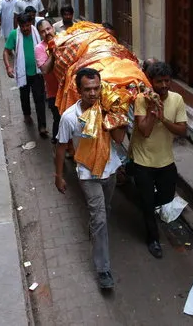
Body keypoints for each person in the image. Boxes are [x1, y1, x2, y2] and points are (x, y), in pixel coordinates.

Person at [54, 68, 126, 290]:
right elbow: (60, 147)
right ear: (78, 90)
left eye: (96, 88)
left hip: (109, 171)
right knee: (101, 218)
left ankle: (95, 227)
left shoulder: (107, 109)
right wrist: (58, 175)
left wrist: (114, 116)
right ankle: (103, 270)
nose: (93, 93)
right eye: (87, 89)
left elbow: (119, 138)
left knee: (105, 210)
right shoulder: (69, 117)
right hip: (87, 175)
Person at [129, 62, 187, 259]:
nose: (164, 85)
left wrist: (163, 119)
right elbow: (144, 131)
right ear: (151, 83)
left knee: (167, 196)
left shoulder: (177, 99)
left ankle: (146, 201)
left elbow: (182, 130)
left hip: (165, 160)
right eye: (159, 81)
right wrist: (153, 111)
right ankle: (153, 239)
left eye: (167, 81)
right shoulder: (141, 100)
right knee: (147, 204)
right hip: (142, 160)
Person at [3, 13, 49, 137]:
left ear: (31, 23)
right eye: (22, 26)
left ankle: (42, 126)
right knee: (24, 96)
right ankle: (27, 114)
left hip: (37, 73)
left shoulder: (38, 33)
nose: (25, 29)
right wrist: (8, 67)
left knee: (39, 99)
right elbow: (6, 52)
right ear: (19, 25)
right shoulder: (14, 34)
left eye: (27, 25)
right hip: (23, 73)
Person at [34, 20, 62, 143]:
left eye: (48, 29)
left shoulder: (63, 40)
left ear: (53, 28)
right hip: (53, 93)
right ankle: (56, 146)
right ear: (40, 34)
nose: (47, 33)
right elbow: (45, 69)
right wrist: (52, 51)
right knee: (59, 119)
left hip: (69, 90)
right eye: (43, 31)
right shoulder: (39, 48)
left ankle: (69, 148)